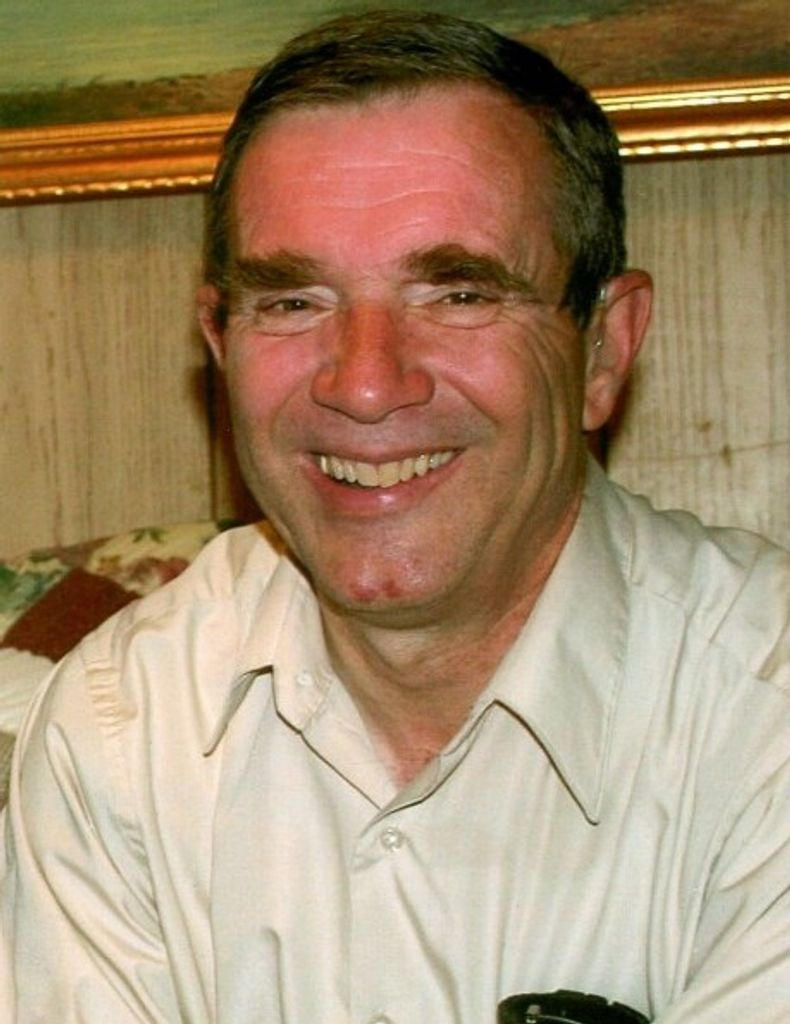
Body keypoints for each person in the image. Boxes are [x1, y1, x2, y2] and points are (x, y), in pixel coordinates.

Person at [1, 10, 788, 1023]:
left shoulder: (761, 716)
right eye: (293, 302)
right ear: (220, 343)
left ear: (602, 347)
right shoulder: (124, 726)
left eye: (457, 294)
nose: (366, 383)